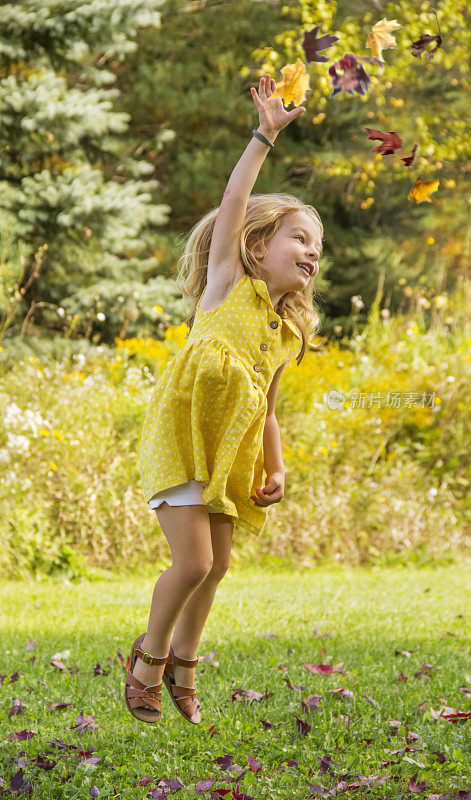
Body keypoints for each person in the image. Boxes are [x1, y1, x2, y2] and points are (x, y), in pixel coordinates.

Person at [125, 74, 324, 725]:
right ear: (258, 245)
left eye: (317, 247)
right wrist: (263, 135)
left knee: (217, 569)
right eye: (299, 239)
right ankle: (148, 662)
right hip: (182, 435)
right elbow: (235, 196)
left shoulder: (285, 329)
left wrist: (275, 467)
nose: (311, 253)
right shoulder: (225, 285)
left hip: (228, 452)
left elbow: (266, 407)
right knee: (194, 561)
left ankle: (186, 666)